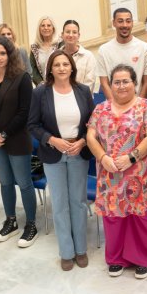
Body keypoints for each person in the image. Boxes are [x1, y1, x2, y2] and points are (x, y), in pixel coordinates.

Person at [86, 64, 147, 279]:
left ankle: (143, 259)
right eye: (116, 82)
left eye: (126, 81)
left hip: (142, 174)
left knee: (142, 216)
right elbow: (91, 137)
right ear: (110, 85)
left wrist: (132, 157)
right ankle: (117, 258)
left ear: (134, 83)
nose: (121, 86)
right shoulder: (101, 109)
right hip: (111, 174)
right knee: (114, 216)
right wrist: (103, 157)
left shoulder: (146, 107)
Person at [28, 50, 95, 271]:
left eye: (65, 64)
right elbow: (33, 126)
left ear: (72, 67)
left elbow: (93, 125)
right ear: (50, 69)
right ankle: (66, 252)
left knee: (78, 202)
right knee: (59, 204)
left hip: (78, 152)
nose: (62, 68)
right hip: (53, 152)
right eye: (57, 65)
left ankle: (80, 249)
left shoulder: (83, 91)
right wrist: (52, 140)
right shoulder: (41, 93)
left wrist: (83, 142)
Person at [0, 35, 37, 247]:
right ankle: (11, 221)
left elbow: (24, 112)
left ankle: (31, 224)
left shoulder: (21, 78)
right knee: (4, 183)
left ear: (10, 54)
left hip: (16, 140)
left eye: (3, 53)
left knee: (24, 183)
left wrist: (2, 135)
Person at [97, 8, 147, 97]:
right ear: (114, 23)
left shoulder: (145, 49)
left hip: (138, 105)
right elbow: (104, 83)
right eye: (120, 21)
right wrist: (115, 106)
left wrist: (138, 106)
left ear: (132, 23)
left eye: (128, 21)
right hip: (114, 106)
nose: (124, 25)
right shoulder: (103, 50)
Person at [58, 20, 99, 93]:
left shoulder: (88, 56)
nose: (70, 35)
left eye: (74, 32)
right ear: (62, 34)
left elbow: (89, 84)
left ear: (78, 35)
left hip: (82, 100)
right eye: (67, 32)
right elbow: (49, 79)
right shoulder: (55, 56)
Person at [29, 16, 58, 84]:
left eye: (49, 25)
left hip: (58, 83)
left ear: (53, 28)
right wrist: (41, 83)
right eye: (43, 25)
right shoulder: (34, 48)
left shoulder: (60, 45)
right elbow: (33, 69)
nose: (46, 28)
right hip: (43, 86)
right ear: (39, 29)